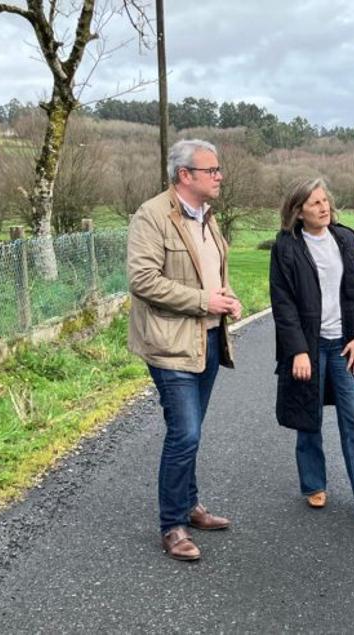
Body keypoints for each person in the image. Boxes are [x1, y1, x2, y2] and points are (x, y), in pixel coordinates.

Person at [127, 139, 242, 561]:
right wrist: (203, 301)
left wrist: (225, 297)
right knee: (185, 432)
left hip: (209, 338)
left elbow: (208, 274)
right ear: (185, 175)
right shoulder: (151, 216)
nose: (219, 176)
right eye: (212, 170)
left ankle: (190, 505)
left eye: (218, 169)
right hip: (170, 343)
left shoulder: (208, 218)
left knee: (191, 433)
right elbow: (143, 280)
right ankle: (172, 525)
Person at [268, 178, 354, 518]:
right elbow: (283, 304)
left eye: (325, 201)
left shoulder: (346, 238)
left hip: (345, 346)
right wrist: (298, 351)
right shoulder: (286, 247)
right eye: (315, 202)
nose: (324, 207)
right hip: (308, 345)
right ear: (298, 211)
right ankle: (314, 484)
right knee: (309, 417)